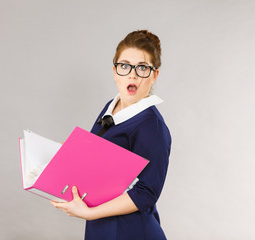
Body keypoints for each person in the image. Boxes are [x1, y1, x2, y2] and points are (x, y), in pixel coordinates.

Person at [51, 30, 171, 240]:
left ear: (154, 75)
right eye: (124, 66)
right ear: (115, 71)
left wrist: (89, 213)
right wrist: (65, 152)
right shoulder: (112, 105)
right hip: (102, 226)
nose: (132, 75)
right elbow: (98, 155)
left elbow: (146, 194)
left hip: (131, 231)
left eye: (142, 67)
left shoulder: (152, 126)